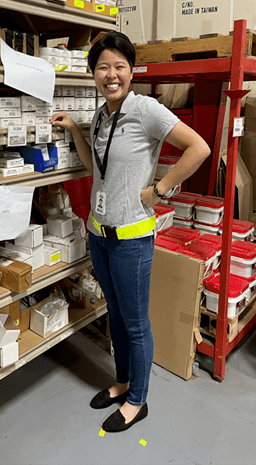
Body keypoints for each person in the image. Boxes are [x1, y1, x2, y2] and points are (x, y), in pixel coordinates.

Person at [51, 31, 210, 433]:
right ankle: (122, 382)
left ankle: (138, 400)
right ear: (93, 74)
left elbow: (199, 149)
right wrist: (74, 128)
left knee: (136, 322)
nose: (111, 74)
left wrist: (159, 189)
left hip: (133, 238)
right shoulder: (102, 115)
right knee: (116, 315)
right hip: (100, 234)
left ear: (131, 70)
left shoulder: (146, 110)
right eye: (102, 67)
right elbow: (95, 169)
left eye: (119, 66)